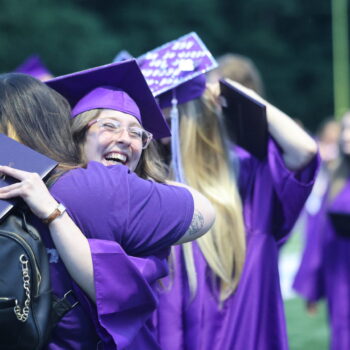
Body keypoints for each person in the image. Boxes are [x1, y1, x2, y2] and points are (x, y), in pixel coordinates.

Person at [0, 61, 215, 349]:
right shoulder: (98, 187)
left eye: (137, 133)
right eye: (108, 126)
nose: (125, 139)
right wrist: (147, 182)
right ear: (73, 131)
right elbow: (205, 211)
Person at [152, 73, 319, 350]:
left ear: (194, 125)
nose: (164, 139)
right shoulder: (160, 196)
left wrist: (237, 93)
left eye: (170, 123)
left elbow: (304, 150)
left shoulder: (250, 184)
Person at [293, 112, 350, 350]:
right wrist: (312, 284)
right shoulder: (337, 176)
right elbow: (318, 233)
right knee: (342, 332)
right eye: (344, 129)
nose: (346, 136)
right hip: (339, 274)